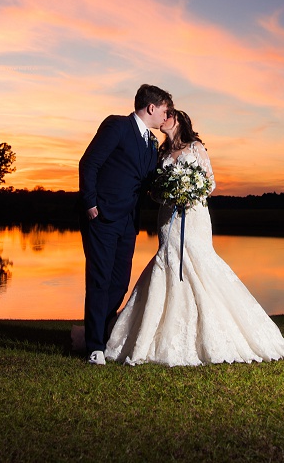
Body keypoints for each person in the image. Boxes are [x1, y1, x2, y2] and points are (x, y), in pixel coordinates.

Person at [104, 109, 284, 366]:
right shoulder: (161, 153)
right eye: (162, 115)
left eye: (168, 116)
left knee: (199, 263)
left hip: (195, 214)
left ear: (178, 121)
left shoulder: (196, 148)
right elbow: (153, 191)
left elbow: (210, 184)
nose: (163, 119)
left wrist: (188, 191)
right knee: (166, 261)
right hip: (168, 218)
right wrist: (167, 194)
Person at [78, 84, 173, 365]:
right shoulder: (117, 126)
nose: (166, 116)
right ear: (151, 108)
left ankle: (102, 335)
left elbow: (147, 182)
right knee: (100, 280)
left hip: (128, 222)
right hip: (102, 217)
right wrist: (90, 204)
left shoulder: (151, 143)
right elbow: (89, 163)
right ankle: (94, 347)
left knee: (119, 284)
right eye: (164, 110)